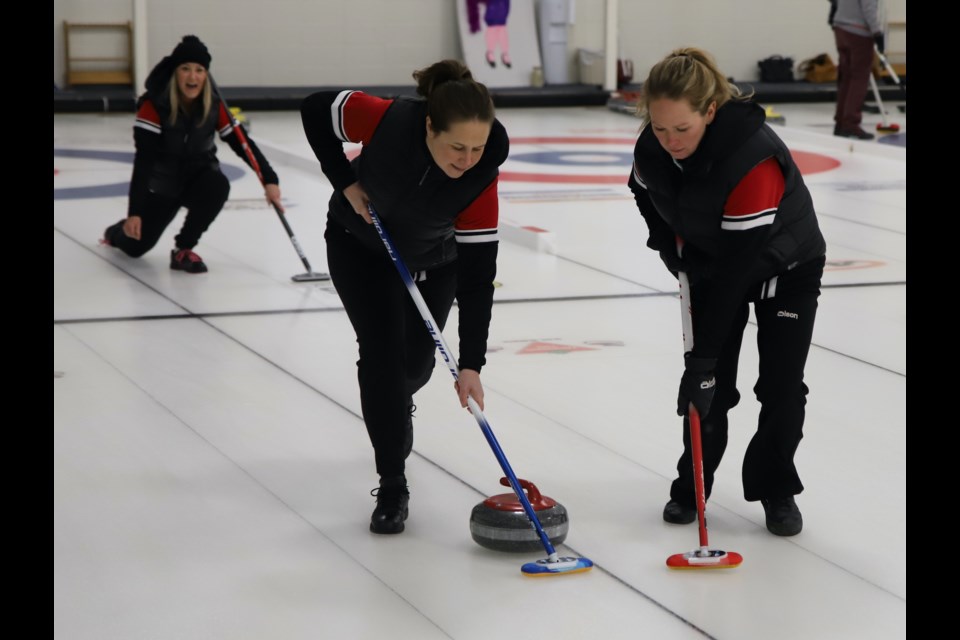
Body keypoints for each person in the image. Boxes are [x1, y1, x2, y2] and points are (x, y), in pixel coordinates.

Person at [300, 60, 509, 534]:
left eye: (477, 147)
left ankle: (395, 404)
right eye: (457, 146)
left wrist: (472, 363)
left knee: (414, 368)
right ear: (430, 125)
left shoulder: (482, 175)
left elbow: (478, 278)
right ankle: (392, 481)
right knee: (382, 359)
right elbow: (315, 109)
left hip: (436, 261)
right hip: (359, 246)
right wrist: (345, 180)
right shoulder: (386, 119)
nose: (467, 159)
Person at [628, 48, 827, 537]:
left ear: (709, 111)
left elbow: (739, 270)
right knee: (712, 388)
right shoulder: (652, 149)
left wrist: (700, 364)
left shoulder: (749, 159)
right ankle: (691, 485)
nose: (670, 141)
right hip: (720, 260)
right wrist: (666, 245)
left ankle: (776, 487)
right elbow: (643, 190)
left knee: (779, 386)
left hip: (787, 263)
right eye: (660, 128)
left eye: (683, 129)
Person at [101, 35, 284, 273]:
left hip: (199, 179)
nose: (192, 76)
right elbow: (143, 161)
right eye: (185, 69)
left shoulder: (214, 106)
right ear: (175, 73)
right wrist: (135, 212)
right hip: (163, 187)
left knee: (218, 185)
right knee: (135, 247)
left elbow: (243, 144)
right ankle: (116, 231)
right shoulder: (154, 106)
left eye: (199, 70)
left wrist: (269, 179)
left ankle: (184, 249)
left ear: (206, 75)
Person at [830, 0, 886, 140]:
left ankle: (841, 123)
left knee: (846, 78)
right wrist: (877, 33)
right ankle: (850, 123)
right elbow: (869, 8)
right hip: (858, 31)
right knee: (859, 78)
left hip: (841, 28)